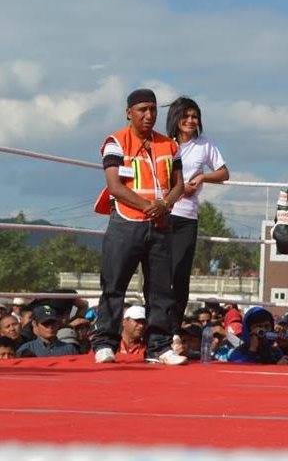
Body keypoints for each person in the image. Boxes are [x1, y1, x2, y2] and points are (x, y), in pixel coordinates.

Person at [91, 88, 188, 366]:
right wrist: (149, 206)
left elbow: (179, 184)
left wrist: (165, 204)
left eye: (153, 109)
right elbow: (114, 186)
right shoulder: (115, 142)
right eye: (143, 109)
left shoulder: (169, 144)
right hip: (126, 222)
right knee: (114, 284)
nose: (149, 115)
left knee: (160, 289)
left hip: (159, 224)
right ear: (129, 112)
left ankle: (159, 347)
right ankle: (104, 343)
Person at [165, 96, 229, 331]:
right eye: (186, 116)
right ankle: (156, 327)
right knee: (160, 273)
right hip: (163, 213)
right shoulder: (163, 143)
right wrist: (180, 189)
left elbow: (223, 173)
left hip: (187, 217)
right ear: (176, 117)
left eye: (195, 116)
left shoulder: (204, 144)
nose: (191, 120)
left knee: (181, 274)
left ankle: (173, 329)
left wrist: (203, 176)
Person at [15, 305, 79, 358]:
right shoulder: (26, 349)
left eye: (53, 323)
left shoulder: (70, 349)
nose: (50, 327)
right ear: (34, 324)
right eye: (45, 323)